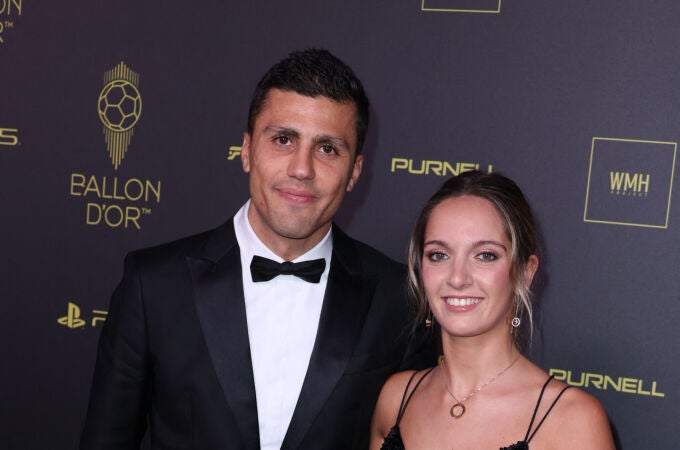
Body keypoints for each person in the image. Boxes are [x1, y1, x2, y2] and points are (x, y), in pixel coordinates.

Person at [80, 48, 433, 450]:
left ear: (355, 171)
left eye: (328, 148)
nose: (302, 168)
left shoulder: (399, 299)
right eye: (283, 139)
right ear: (247, 150)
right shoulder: (154, 284)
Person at [370, 171, 616, 450]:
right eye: (439, 255)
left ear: (525, 271)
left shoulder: (571, 419)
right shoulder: (397, 399)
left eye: (485, 255)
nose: (457, 278)